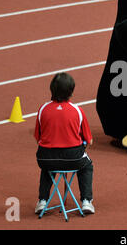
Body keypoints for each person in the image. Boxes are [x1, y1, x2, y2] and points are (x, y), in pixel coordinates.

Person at [34, 72, 95, 215]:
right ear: (71, 91)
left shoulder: (43, 109)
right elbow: (89, 140)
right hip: (72, 157)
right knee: (87, 166)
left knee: (47, 167)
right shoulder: (77, 111)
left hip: (45, 157)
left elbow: (38, 137)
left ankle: (42, 201)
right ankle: (86, 201)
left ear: (52, 89)